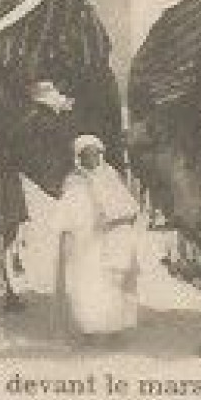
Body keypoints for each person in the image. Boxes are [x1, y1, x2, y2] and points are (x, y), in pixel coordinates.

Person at [53, 135, 141, 343]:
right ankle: (89, 332)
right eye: (86, 154)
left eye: (95, 153)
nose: (92, 158)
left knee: (114, 286)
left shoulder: (111, 176)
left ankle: (115, 332)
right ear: (79, 157)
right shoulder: (73, 181)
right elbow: (66, 215)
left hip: (112, 240)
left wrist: (113, 221)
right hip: (85, 245)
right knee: (87, 288)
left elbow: (128, 209)